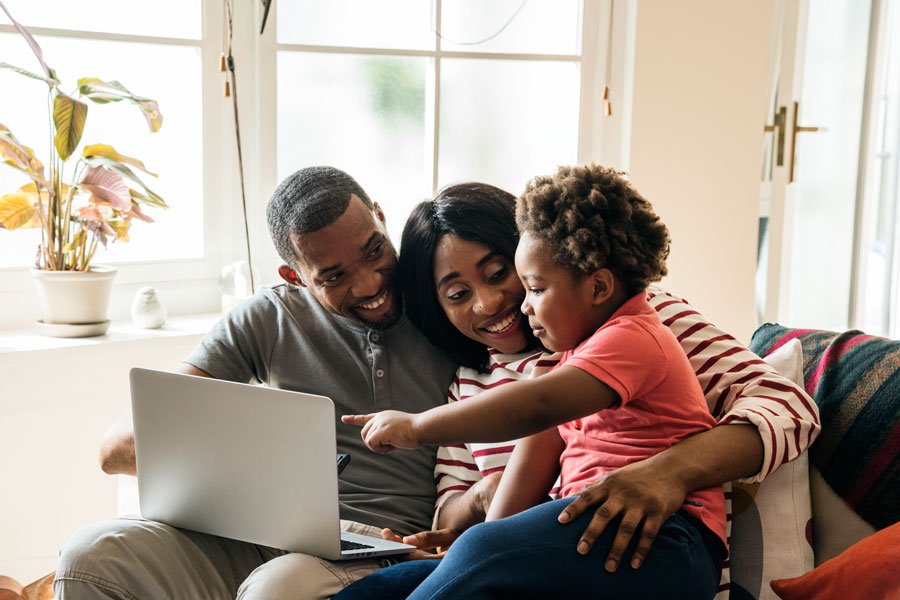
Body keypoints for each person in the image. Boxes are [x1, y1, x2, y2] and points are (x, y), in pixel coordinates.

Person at [339, 166, 820, 599]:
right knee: (382, 588)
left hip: (659, 544)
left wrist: (672, 471)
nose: (490, 303)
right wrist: (479, 528)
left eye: (504, 275)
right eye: (459, 294)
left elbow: (789, 409)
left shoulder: (640, 324)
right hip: (555, 553)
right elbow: (484, 503)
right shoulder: (479, 382)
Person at [53, 166, 459, 600]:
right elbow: (117, 450)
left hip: (375, 547)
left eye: (374, 250)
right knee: (90, 558)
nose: (370, 283)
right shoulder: (271, 317)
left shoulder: (450, 303)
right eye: (334, 276)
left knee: (275, 588)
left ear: (380, 216)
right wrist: (251, 475)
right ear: (295, 277)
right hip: (258, 534)